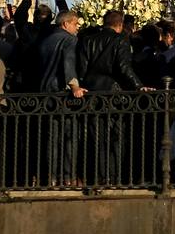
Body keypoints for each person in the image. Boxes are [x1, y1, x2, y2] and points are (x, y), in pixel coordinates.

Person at [76, 10, 146, 187]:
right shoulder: (119, 39)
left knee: (96, 137)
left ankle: (98, 176)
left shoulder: (89, 40)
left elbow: (82, 67)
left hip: (92, 93)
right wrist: (138, 86)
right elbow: (123, 67)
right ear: (120, 24)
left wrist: (82, 84)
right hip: (114, 94)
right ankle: (114, 177)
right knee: (116, 138)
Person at [39, 10, 85, 188]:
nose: (77, 28)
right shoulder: (69, 39)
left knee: (52, 137)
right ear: (66, 24)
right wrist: (74, 86)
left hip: (45, 93)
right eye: (75, 24)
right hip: (61, 95)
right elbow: (69, 63)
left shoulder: (46, 40)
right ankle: (67, 176)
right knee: (69, 136)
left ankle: (51, 176)